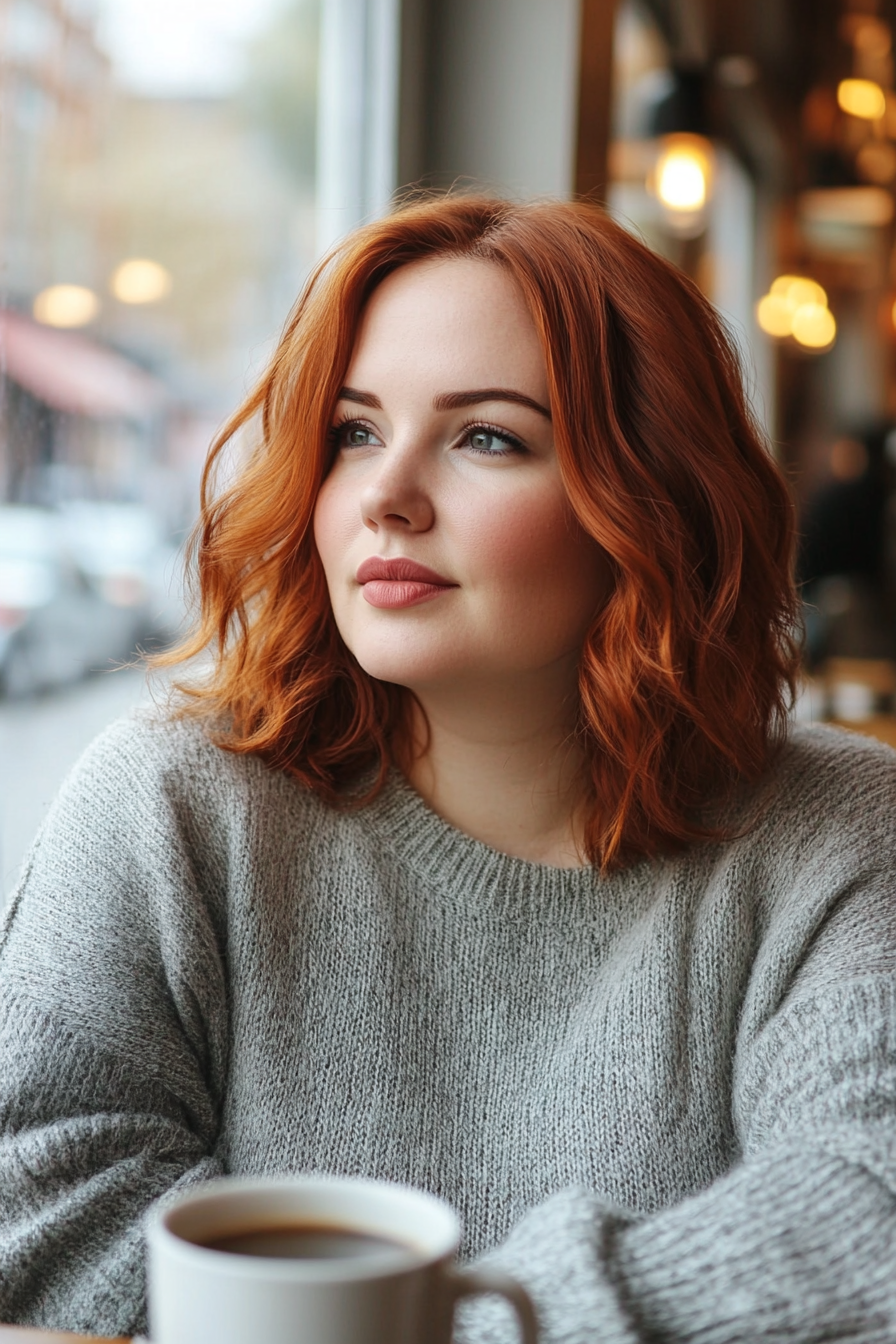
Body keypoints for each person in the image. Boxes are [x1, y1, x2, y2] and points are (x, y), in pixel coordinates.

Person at [1, 195, 894, 1343]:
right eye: (354, 432)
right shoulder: (170, 798)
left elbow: (863, 1220)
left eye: (487, 437)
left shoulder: (842, 829)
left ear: (654, 502)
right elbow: (40, 1218)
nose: (384, 496)